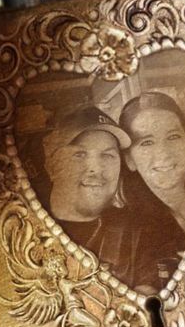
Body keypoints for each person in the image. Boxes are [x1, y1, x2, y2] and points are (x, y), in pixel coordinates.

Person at [38, 106, 152, 288]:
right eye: (79, 154)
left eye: (107, 155)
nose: (96, 168)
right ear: (52, 165)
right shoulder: (26, 230)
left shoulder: (137, 235)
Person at [119, 92, 185, 290]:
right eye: (146, 142)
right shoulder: (133, 233)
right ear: (129, 160)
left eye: (173, 137)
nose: (163, 153)